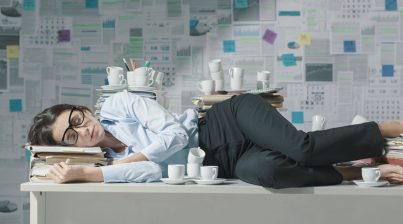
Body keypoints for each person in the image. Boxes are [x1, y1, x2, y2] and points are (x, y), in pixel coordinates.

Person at [27, 90, 403, 188]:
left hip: (228, 122)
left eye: (76, 118)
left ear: (83, 108)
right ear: (70, 147)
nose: (83, 129)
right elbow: (154, 173)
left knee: (301, 146)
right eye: (71, 135)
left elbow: (175, 136)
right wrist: (96, 173)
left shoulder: (120, 103)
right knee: (268, 173)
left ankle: (390, 129)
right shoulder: (106, 166)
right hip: (225, 163)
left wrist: (122, 165)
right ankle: (364, 173)